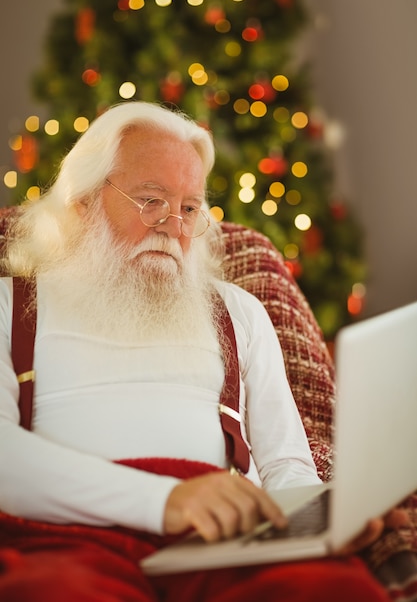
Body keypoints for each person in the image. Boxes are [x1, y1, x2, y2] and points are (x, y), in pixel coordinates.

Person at [0, 101, 395, 601]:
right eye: (151, 200)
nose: (174, 226)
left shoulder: (239, 311)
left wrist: (321, 524)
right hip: (63, 541)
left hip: (221, 543)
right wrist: (164, 500)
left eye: (189, 208)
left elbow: (286, 468)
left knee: (332, 590)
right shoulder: (9, 306)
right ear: (83, 204)